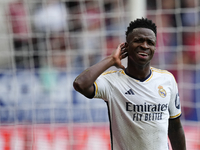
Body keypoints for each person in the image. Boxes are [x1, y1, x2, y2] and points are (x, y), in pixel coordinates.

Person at [73, 18, 186, 150]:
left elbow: (175, 126)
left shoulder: (167, 79)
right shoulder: (112, 82)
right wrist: (111, 59)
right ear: (125, 46)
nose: (145, 45)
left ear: (154, 48)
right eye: (138, 40)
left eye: (150, 42)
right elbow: (80, 84)